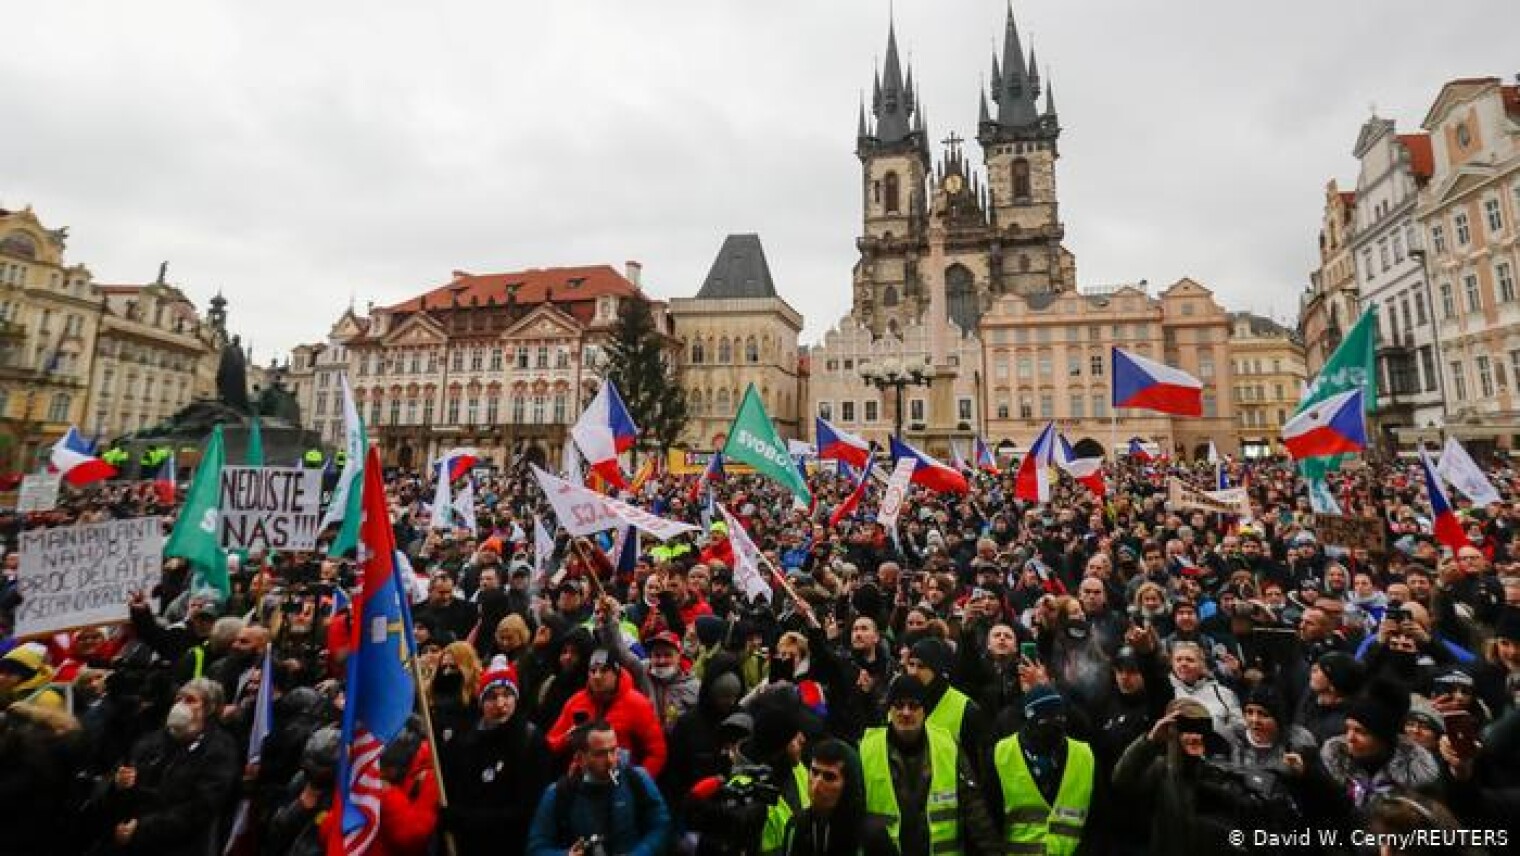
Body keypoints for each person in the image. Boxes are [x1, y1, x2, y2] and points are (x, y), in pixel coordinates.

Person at [90, 678, 239, 856]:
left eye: (190, 700)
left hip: (182, 847)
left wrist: (144, 828)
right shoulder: (150, 741)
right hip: (133, 842)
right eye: (178, 699)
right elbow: (111, 786)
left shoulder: (220, 750)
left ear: (209, 709)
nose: (180, 705)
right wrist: (117, 785)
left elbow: (201, 808)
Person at [858, 677, 999, 856]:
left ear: (924, 711)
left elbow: (975, 809)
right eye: (899, 705)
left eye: (914, 705)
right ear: (889, 710)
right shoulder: (867, 750)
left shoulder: (947, 747)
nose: (906, 712)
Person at [443, 656, 552, 856]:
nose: (500, 704)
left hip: (512, 845)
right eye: (492, 697)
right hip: (470, 845)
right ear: (482, 702)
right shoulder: (467, 740)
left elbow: (529, 806)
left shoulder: (530, 740)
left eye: (507, 695)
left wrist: (471, 820)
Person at [526, 720, 671, 856]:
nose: (610, 760)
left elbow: (661, 825)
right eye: (600, 754)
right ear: (580, 758)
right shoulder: (558, 793)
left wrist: (639, 853)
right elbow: (537, 847)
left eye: (613, 750)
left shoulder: (637, 779)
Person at [989, 685, 1097, 856]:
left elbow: (1099, 824)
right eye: (1046, 722)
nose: (1054, 729)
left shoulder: (1085, 756)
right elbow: (990, 822)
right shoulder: (1001, 755)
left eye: (1060, 720)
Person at [547, 648, 668, 777]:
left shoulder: (638, 704)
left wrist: (637, 782)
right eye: (593, 671)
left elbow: (657, 752)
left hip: (621, 785)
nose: (597, 676)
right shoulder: (575, 701)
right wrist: (567, 737)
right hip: (579, 784)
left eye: (604, 671)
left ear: (616, 673)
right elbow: (550, 743)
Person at [782, 738, 898, 856]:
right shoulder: (796, 826)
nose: (816, 784)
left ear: (848, 785)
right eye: (814, 772)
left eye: (829, 777)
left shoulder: (870, 835)